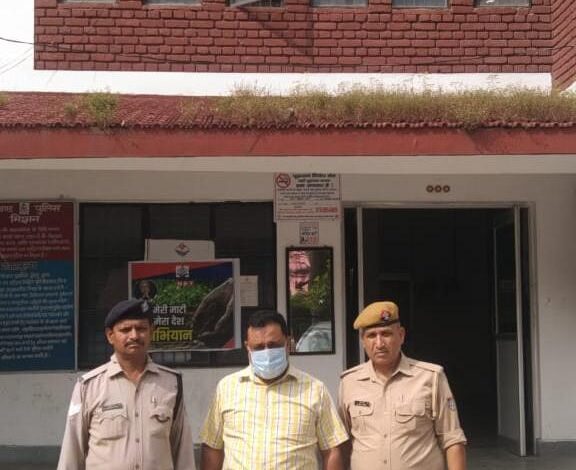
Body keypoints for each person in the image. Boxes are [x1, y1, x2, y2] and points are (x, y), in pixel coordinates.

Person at [57, 299, 196, 470]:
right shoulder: (88, 386)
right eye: (125, 330)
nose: (134, 336)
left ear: (152, 332)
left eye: (141, 329)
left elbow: (183, 450)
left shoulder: (171, 383)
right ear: (110, 335)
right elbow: (72, 451)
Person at [200, 309, 348, 470]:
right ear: (247, 347)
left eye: (273, 345)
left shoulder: (315, 390)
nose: (267, 353)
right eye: (258, 347)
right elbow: (212, 447)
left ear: (287, 343)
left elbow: (332, 450)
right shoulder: (227, 388)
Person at [338, 301, 467, 470]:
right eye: (371, 336)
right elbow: (342, 443)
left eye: (386, 334)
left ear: (401, 335)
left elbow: (452, 439)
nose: (379, 343)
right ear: (363, 341)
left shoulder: (431, 377)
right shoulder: (349, 382)